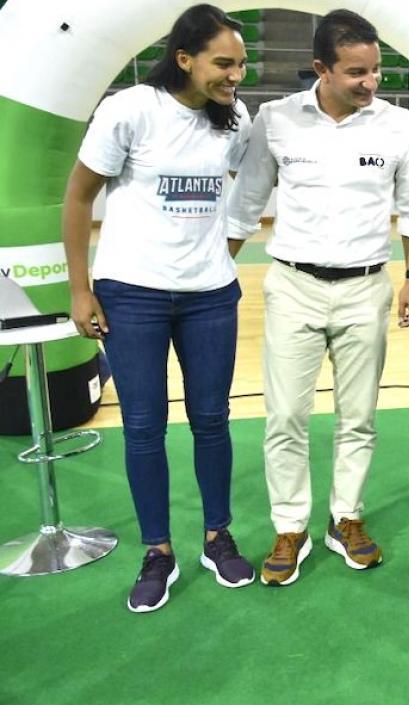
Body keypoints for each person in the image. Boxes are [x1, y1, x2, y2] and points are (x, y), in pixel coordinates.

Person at [225, 9, 409, 586]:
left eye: (376, 71)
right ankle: (290, 526)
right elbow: (245, 203)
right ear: (321, 68)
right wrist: (217, 270)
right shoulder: (275, 120)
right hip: (292, 285)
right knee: (286, 415)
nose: (371, 83)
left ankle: (347, 519)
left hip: (367, 286)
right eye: (356, 73)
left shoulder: (399, 125)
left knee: (358, 417)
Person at [61, 4, 254, 612]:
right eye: (224, 63)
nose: (235, 75)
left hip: (211, 297)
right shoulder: (130, 111)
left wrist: (216, 255)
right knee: (143, 427)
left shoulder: (236, 120)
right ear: (184, 58)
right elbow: (77, 197)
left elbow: (241, 191)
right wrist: (79, 289)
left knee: (211, 419)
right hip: (131, 295)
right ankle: (158, 551)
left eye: (242, 64)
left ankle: (217, 537)